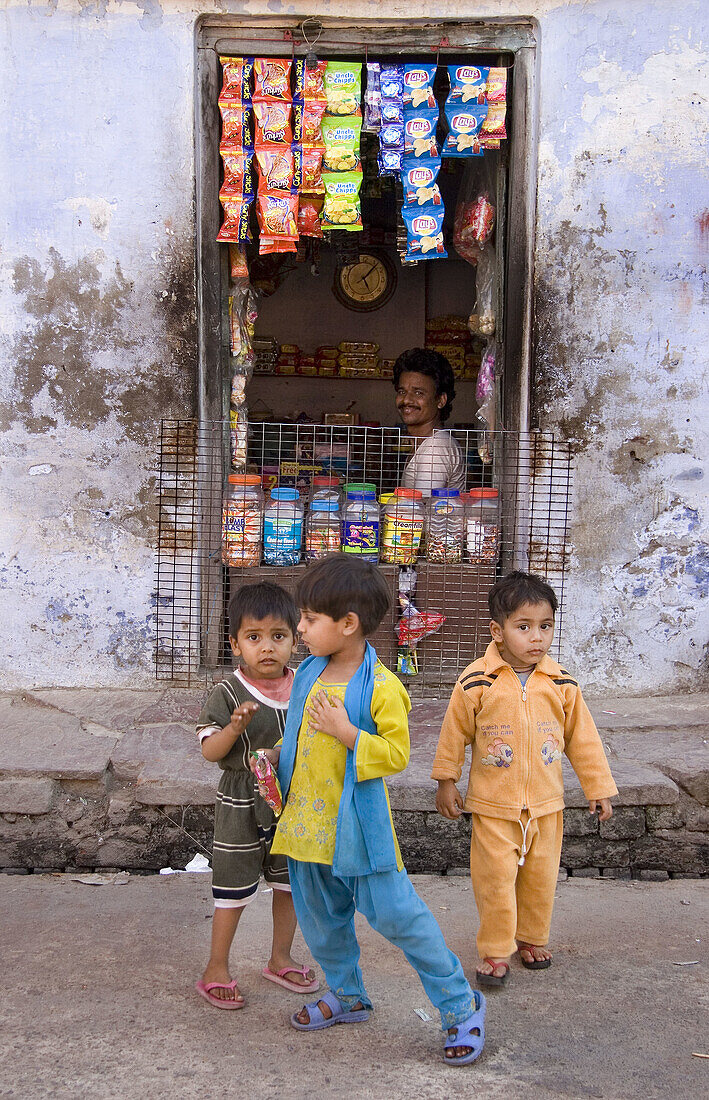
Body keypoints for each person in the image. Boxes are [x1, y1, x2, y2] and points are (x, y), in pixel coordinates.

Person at [263, 554, 486, 1066]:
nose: (300, 628)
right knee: (321, 922)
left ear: (348, 625)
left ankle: (459, 1004)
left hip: (357, 833)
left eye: (310, 619)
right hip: (306, 827)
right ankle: (347, 995)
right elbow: (299, 731)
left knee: (398, 917)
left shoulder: (383, 687)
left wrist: (347, 733)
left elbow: (396, 754)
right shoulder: (310, 673)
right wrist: (277, 756)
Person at [432, 571, 618, 989]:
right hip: (493, 807)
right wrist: (447, 779)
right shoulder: (476, 681)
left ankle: (532, 940)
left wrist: (598, 787)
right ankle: (496, 950)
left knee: (540, 879)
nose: (537, 638)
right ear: (497, 631)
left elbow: (582, 739)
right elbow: (453, 733)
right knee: (494, 881)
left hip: (547, 806)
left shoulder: (561, 683)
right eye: (524, 627)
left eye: (546, 626)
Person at [194, 582, 318, 1009]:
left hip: (293, 802)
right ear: (235, 645)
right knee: (233, 887)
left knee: (291, 885)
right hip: (242, 805)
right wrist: (234, 729)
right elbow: (211, 752)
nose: (267, 648)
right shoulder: (228, 693)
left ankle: (279, 957)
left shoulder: (304, 685)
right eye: (254, 637)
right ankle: (216, 967)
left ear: (295, 640)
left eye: (278, 637)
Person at [393, 347, 466, 494]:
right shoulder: (425, 443)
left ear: (440, 400)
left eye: (418, 393)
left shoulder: (436, 447)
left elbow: (419, 510)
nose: (406, 400)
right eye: (402, 392)